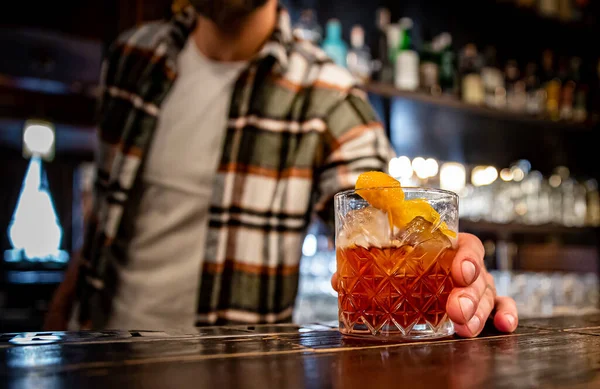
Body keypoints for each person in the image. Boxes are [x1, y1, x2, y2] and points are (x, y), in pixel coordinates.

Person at [45, 0, 518, 336]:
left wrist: (470, 282)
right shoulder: (131, 58)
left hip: (234, 373)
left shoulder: (329, 97)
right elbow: (103, 217)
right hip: (98, 355)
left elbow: (393, 221)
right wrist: (58, 318)